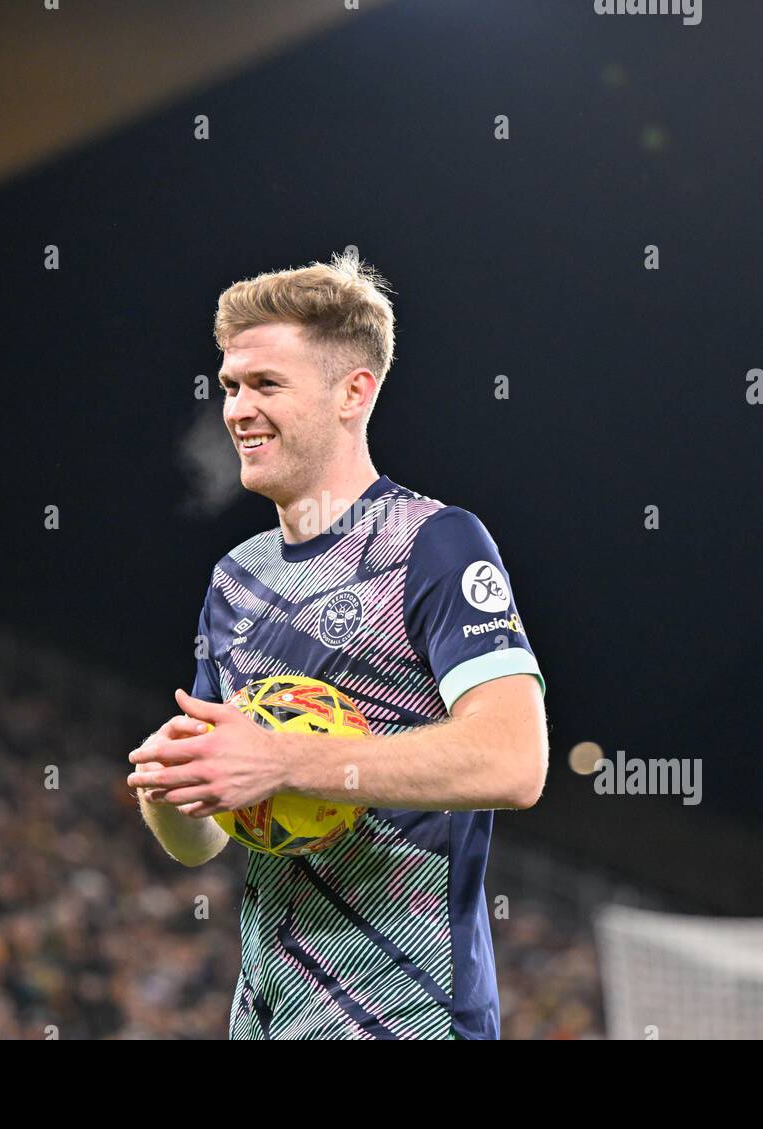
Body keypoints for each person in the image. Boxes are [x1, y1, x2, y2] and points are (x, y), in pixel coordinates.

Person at [128, 251, 548, 1039]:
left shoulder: (435, 544)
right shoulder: (236, 578)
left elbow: (515, 759)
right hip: (266, 1017)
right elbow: (206, 840)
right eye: (230, 386)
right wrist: (172, 786)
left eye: (267, 385)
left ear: (353, 390)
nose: (238, 410)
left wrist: (284, 761)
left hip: (407, 1014)